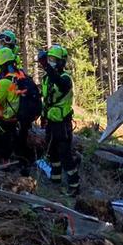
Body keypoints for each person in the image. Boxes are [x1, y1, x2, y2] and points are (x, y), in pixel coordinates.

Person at [38, 44, 79, 195]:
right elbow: (46, 100)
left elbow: (60, 86)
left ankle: (74, 185)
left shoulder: (65, 78)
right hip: (50, 121)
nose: (51, 62)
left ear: (61, 62)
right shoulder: (46, 79)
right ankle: (55, 180)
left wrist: (46, 66)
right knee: (52, 152)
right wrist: (43, 116)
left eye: (54, 60)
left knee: (65, 154)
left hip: (62, 124)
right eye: (49, 59)